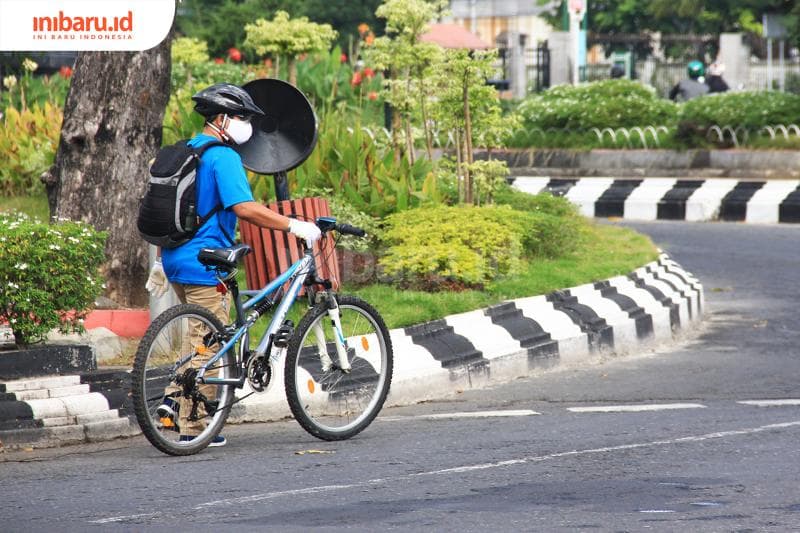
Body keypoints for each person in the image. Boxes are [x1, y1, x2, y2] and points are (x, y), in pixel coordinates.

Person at [144, 83, 321, 447]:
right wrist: (293, 225)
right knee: (209, 342)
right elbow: (245, 208)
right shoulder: (223, 157)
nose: (247, 126)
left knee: (200, 335)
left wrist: (161, 259)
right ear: (223, 119)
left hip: (175, 258)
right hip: (206, 262)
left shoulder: (187, 149)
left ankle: (176, 409)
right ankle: (191, 423)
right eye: (242, 117)